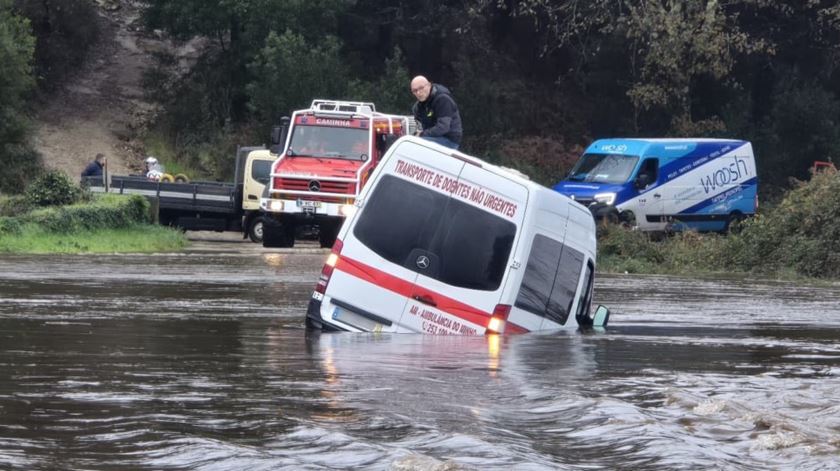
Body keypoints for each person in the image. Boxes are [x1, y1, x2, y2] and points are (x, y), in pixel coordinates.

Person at [410, 75, 463, 150]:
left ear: (429, 85)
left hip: (449, 140)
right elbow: (420, 127)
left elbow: (443, 128)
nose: (418, 93)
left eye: (421, 88)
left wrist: (422, 134)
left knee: (414, 144)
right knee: (409, 140)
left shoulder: (443, 99)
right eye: (415, 91)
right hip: (431, 137)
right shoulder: (417, 107)